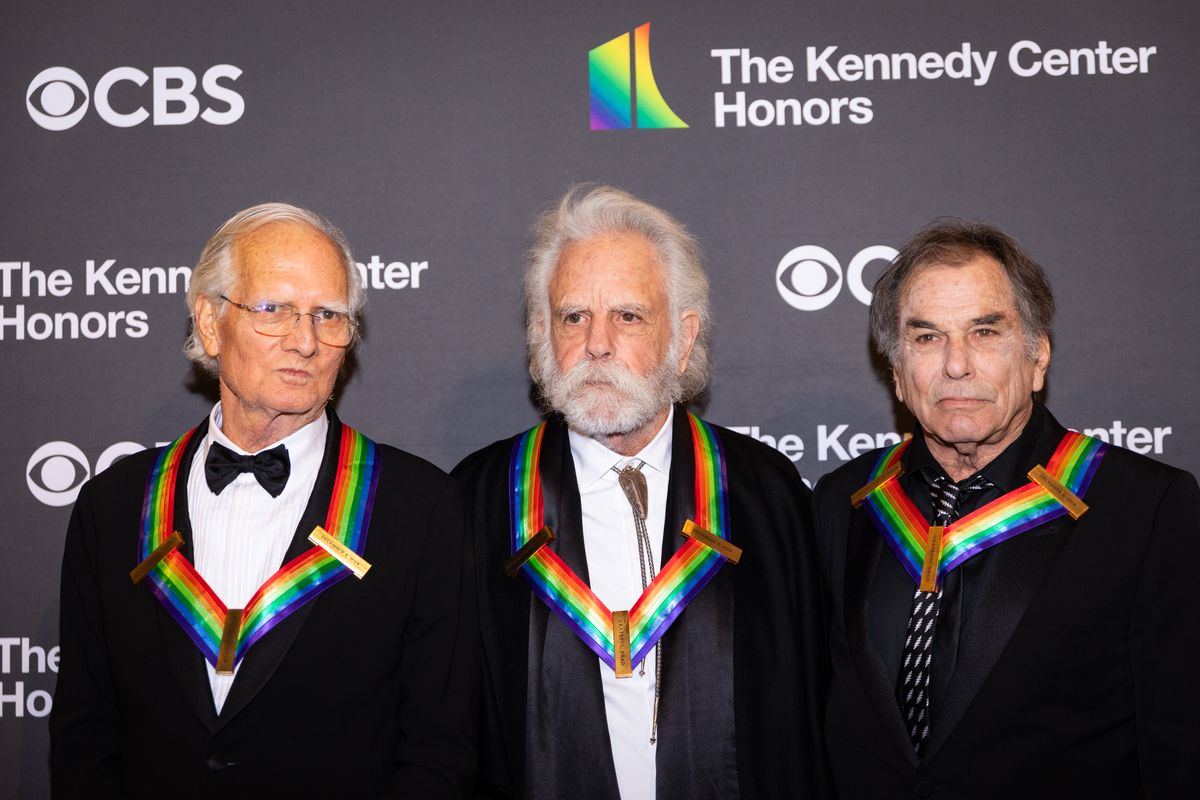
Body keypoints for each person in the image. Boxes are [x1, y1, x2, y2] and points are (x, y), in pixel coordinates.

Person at [50, 203, 475, 798]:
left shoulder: (422, 508)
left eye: (328, 315)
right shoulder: (112, 509)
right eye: (273, 309)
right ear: (208, 322)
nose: (304, 341)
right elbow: (85, 738)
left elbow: (439, 750)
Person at [453, 185, 830, 800]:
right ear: (542, 338)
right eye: (573, 316)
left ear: (683, 340)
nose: (597, 343)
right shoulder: (480, 501)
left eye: (628, 316)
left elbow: (807, 722)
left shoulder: (766, 495)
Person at [813, 219, 1200, 798]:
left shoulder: (1145, 507)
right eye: (926, 337)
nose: (956, 365)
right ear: (896, 372)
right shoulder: (844, 502)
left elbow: (1181, 744)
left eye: (985, 332)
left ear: (1038, 355)